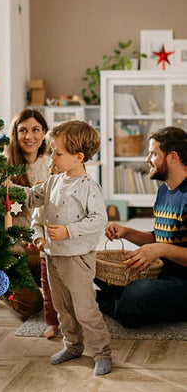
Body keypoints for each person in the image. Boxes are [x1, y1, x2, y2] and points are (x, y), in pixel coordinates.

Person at [10, 119, 112, 376]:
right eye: (52, 150)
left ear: (78, 157)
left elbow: (98, 219)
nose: (51, 156)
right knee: (62, 307)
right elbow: (33, 197)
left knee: (85, 310)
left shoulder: (88, 186)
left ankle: (102, 352)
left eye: (57, 153)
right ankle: (73, 345)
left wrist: (69, 231)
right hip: (53, 258)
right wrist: (12, 190)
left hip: (77, 259)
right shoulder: (54, 181)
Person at [96, 126, 187, 328]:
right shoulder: (164, 191)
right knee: (93, 267)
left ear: (173, 157)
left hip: (182, 283)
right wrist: (127, 232)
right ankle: (117, 299)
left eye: (154, 153)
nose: (147, 159)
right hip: (162, 273)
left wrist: (161, 250)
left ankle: (103, 302)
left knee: (137, 294)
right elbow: (160, 237)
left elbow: (162, 246)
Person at [3, 108, 58, 338]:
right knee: (30, 305)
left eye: (36, 130)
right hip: (13, 250)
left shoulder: (52, 166)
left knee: (66, 294)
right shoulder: (3, 168)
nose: (29, 136)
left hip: (41, 247)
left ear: (44, 133)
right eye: (23, 130)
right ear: (14, 134)